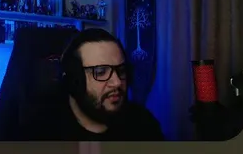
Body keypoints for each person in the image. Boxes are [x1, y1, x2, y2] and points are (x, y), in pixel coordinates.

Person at [18, 28, 164, 141]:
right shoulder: (40, 132)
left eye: (121, 70)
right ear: (74, 80)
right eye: (101, 72)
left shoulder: (143, 123)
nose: (117, 82)